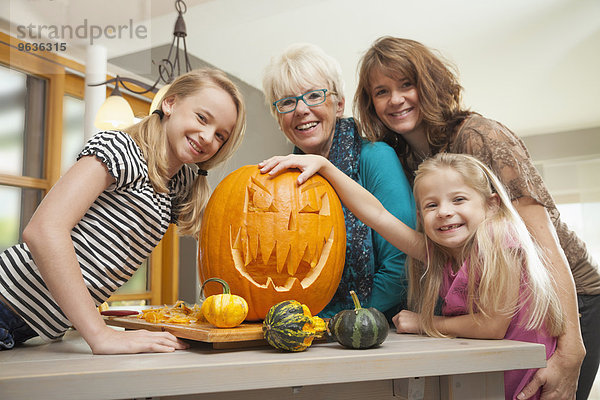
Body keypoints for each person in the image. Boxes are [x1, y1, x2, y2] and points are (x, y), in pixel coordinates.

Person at [353, 36, 599, 400]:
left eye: (407, 84)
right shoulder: (404, 157)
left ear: (430, 84)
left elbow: (542, 240)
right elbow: (398, 227)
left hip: (567, 300)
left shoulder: (478, 136)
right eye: (381, 91)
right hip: (499, 308)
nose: (396, 99)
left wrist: (572, 350)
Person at [259, 152, 565, 400]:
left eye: (458, 200)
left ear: (491, 204)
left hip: (522, 378)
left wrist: (424, 323)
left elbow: (492, 325)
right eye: (432, 205)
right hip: (490, 375)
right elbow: (377, 215)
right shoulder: (442, 255)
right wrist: (326, 167)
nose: (444, 211)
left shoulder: (500, 237)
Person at [0, 68, 246, 354]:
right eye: (202, 118)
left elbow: (228, 242)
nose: (207, 136)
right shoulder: (120, 148)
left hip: (29, 327)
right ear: (170, 104)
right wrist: (100, 335)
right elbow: (44, 231)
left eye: (220, 135)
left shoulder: (181, 183)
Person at [261, 43, 416, 318]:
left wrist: (335, 320)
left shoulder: (376, 158)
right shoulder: (280, 180)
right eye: (287, 102)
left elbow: (400, 266)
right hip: (306, 329)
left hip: (378, 330)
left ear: (339, 104)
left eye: (314, 96)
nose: (301, 109)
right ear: (278, 117)